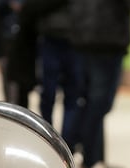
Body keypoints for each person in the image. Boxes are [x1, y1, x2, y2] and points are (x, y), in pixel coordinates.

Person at [66, 0, 130, 168]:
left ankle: (82, 157)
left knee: (86, 101)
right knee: (99, 103)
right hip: (107, 37)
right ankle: (91, 161)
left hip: (82, 35)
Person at [37, 1, 81, 144]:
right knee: (52, 95)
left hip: (71, 40)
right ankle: (52, 140)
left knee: (66, 97)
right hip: (56, 38)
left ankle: (60, 143)